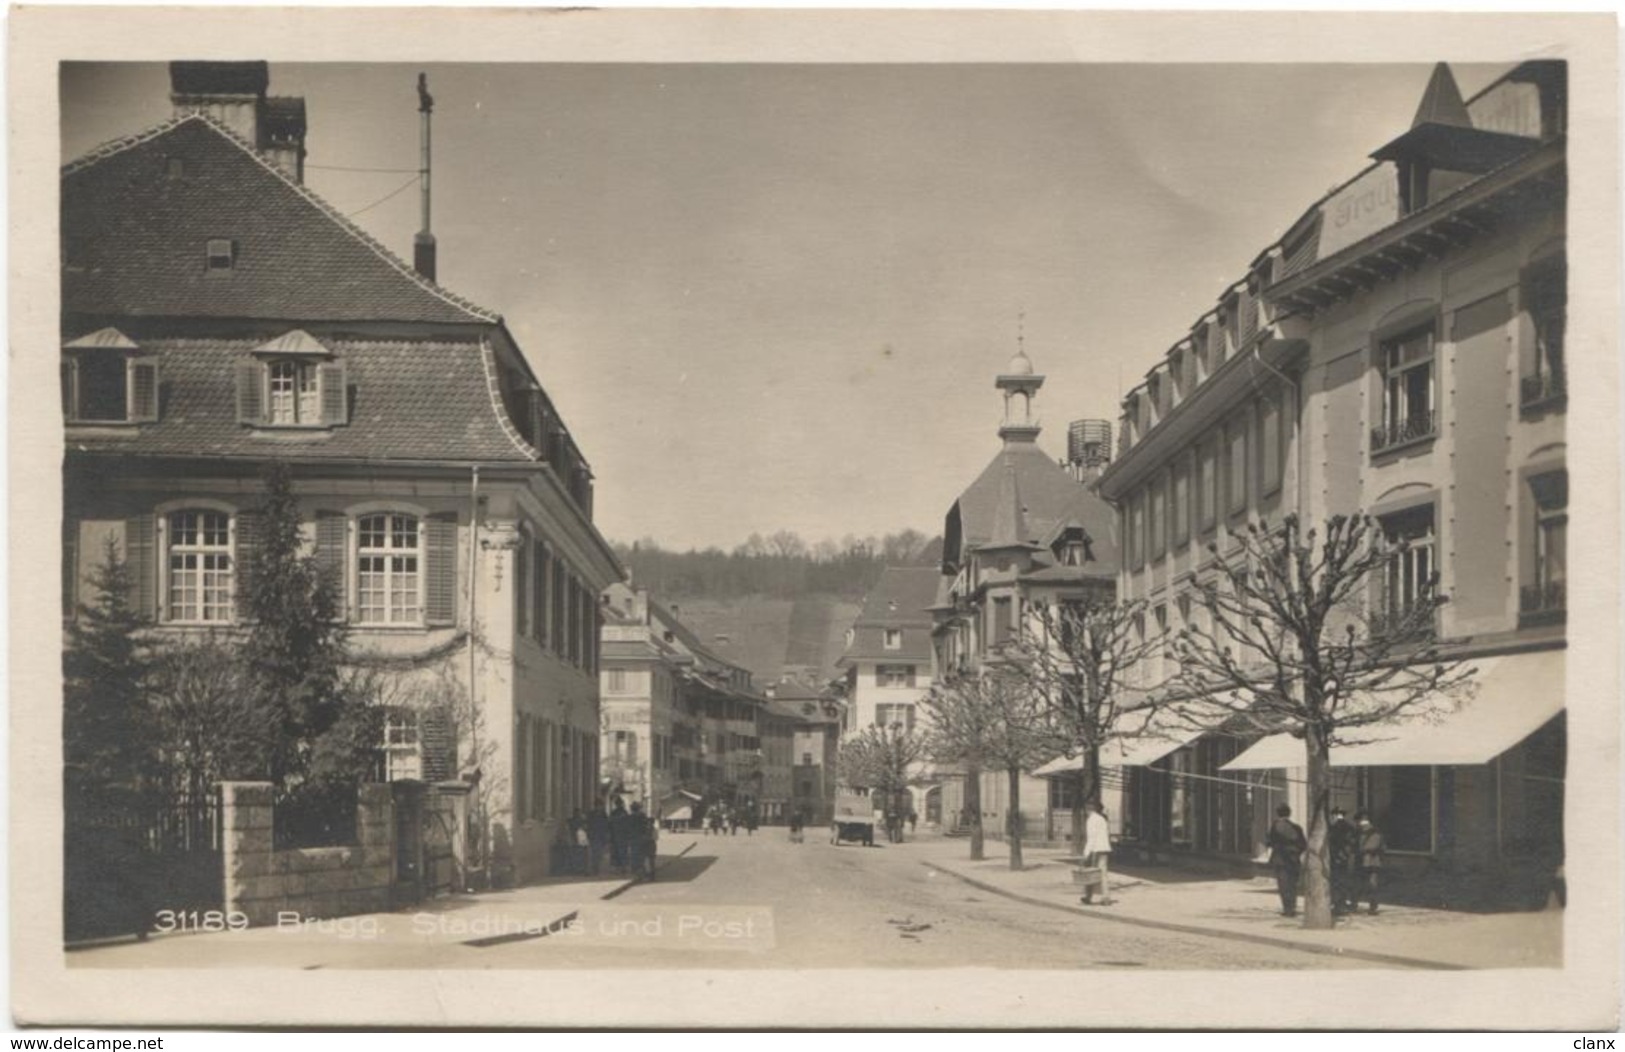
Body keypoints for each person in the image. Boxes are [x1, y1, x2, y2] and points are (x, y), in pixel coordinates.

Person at [1267, 803, 1308, 917]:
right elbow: (1303, 845)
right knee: (1293, 884)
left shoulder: (1275, 826)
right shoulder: (1297, 827)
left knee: (1283, 885)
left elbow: (1269, 842)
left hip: (1281, 859)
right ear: (1289, 813)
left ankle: (1287, 908)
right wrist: (1296, 853)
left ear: (1278, 813)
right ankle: (1292, 907)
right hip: (1294, 860)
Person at [1081, 801, 1113, 906]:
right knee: (1102, 873)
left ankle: (1088, 896)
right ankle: (1105, 897)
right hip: (1104, 848)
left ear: (1088, 809)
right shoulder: (1102, 819)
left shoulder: (1091, 820)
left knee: (1090, 873)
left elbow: (1091, 837)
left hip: (1095, 850)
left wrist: (1086, 853)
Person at [1354, 810, 1386, 915]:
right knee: (1360, 883)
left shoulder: (1374, 832)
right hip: (1362, 861)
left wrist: (1359, 849)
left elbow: (1372, 846)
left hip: (1372, 862)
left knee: (1372, 884)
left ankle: (1373, 906)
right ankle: (1355, 904)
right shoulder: (1359, 831)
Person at [1328, 806, 1358, 916]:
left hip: (1336, 858)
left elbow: (1331, 844)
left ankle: (1337, 905)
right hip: (1348, 858)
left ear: (1335, 815)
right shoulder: (1350, 827)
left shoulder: (1333, 828)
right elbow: (1353, 843)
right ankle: (1343, 903)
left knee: (1336, 881)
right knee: (1345, 881)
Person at [585, 800, 611, 877]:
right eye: (598, 805)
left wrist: (606, 835)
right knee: (594, 853)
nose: (599, 807)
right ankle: (594, 869)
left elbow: (606, 825)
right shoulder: (591, 814)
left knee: (599, 853)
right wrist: (589, 834)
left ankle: (596, 868)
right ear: (595, 806)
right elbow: (588, 824)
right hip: (594, 836)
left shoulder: (603, 814)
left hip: (601, 836)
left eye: (600, 806)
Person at [608, 797, 631, 874]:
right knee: (619, 852)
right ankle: (621, 868)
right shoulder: (623, 813)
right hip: (619, 836)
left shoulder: (616, 813)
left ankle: (620, 868)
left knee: (619, 852)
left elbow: (610, 824)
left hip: (618, 836)